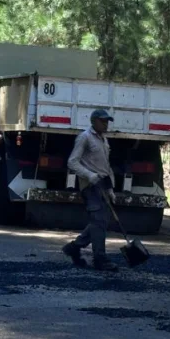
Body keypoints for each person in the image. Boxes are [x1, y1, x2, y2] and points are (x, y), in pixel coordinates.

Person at [62, 109, 118, 271]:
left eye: (107, 121)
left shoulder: (104, 140)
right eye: (102, 121)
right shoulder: (84, 137)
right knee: (98, 220)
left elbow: (106, 166)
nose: (105, 124)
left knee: (100, 221)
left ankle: (74, 247)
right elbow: (72, 162)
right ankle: (100, 259)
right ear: (93, 121)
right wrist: (89, 175)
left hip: (103, 184)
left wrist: (110, 188)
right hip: (90, 186)